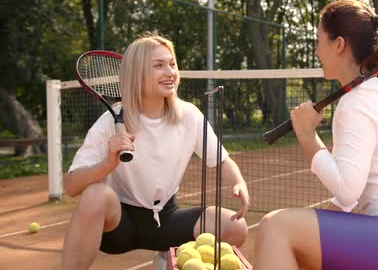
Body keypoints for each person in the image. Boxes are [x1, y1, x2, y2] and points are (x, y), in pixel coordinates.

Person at [254, 0, 378, 270]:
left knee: (275, 226)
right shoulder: (373, 92)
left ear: (338, 45)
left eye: (319, 41)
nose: (316, 51)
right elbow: (346, 201)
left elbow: (348, 191)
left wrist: (307, 136)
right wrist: (320, 226)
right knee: (300, 245)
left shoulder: (357, 102)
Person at [61, 32, 250, 270]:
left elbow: (222, 161)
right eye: (158, 65)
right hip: (120, 225)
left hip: (167, 220)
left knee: (235, 227)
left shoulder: (189, 115)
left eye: (172, 64)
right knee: (95, 195)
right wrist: (107, 165)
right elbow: (70, 186)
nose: (170, 72)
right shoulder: (110, 123)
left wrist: (238, 182)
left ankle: (170, 256)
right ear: (137, 74)